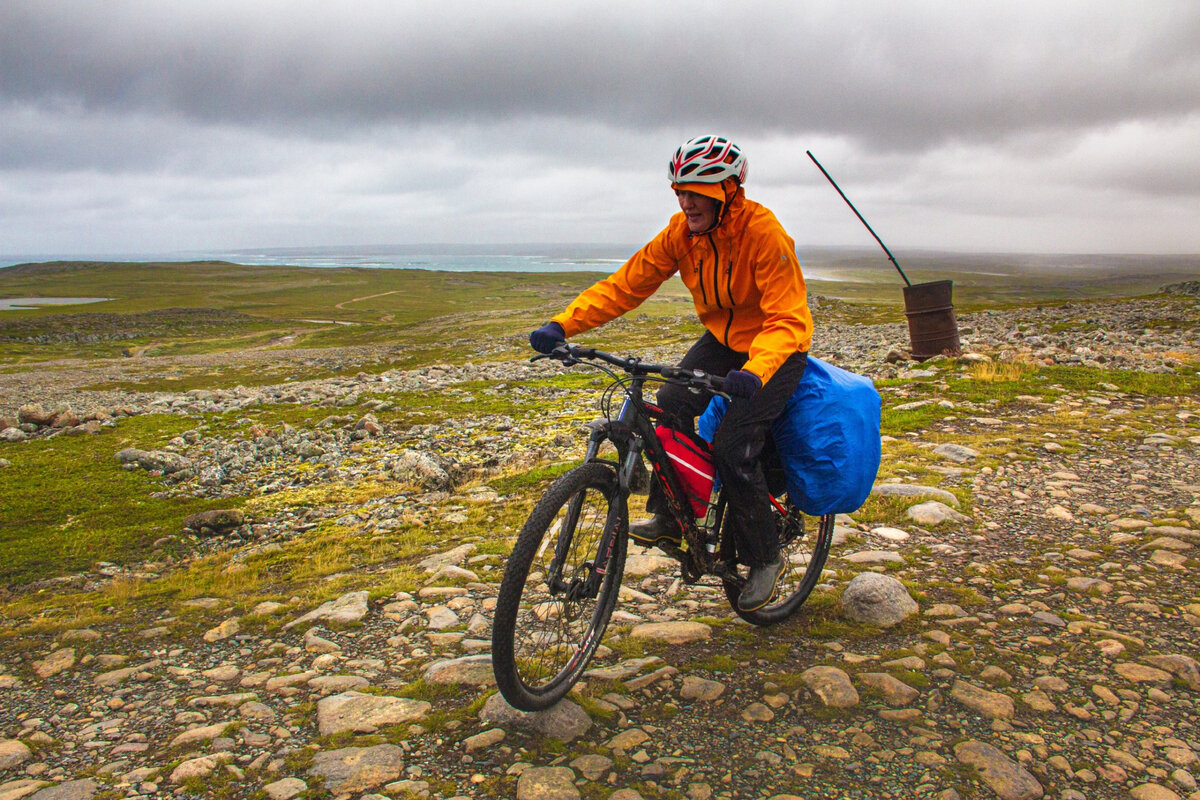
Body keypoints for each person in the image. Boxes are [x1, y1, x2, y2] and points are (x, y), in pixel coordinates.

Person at [529, 134, 813, 612]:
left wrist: (756, 370)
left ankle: (766, 557)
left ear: (728, 190)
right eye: (680, 190)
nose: (686, 200)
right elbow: (627, 284)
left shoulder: (763, 233)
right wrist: (564, 323)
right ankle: (670, 514)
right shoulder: (681, 234)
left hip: (776, 348)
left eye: (698, 191)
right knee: (671, 406)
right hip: (724, 341)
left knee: (732, 445)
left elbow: (787, 317)